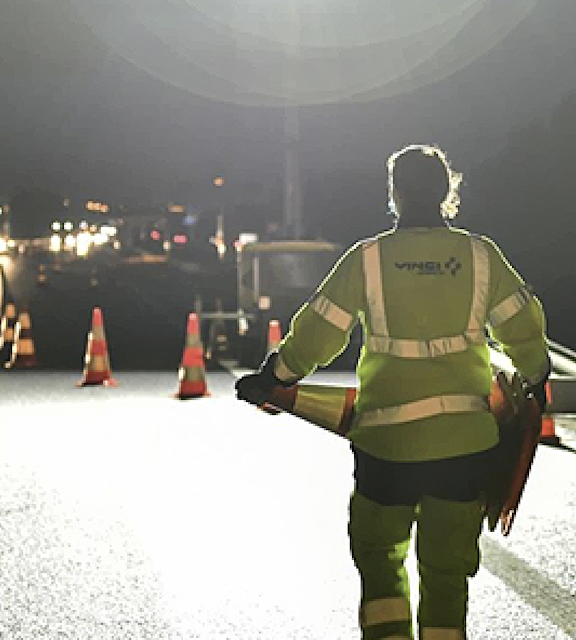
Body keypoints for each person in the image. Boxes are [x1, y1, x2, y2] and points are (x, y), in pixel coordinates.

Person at [235, 144, 549, 639]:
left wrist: (276, 376)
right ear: (447, 191)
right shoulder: (481, 257)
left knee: (381, 565)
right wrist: (535, 373)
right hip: (464, 447)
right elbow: (524, 332)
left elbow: (319, 333)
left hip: (385, 447)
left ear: (395, 194)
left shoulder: (368, 259)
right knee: (446, 573)